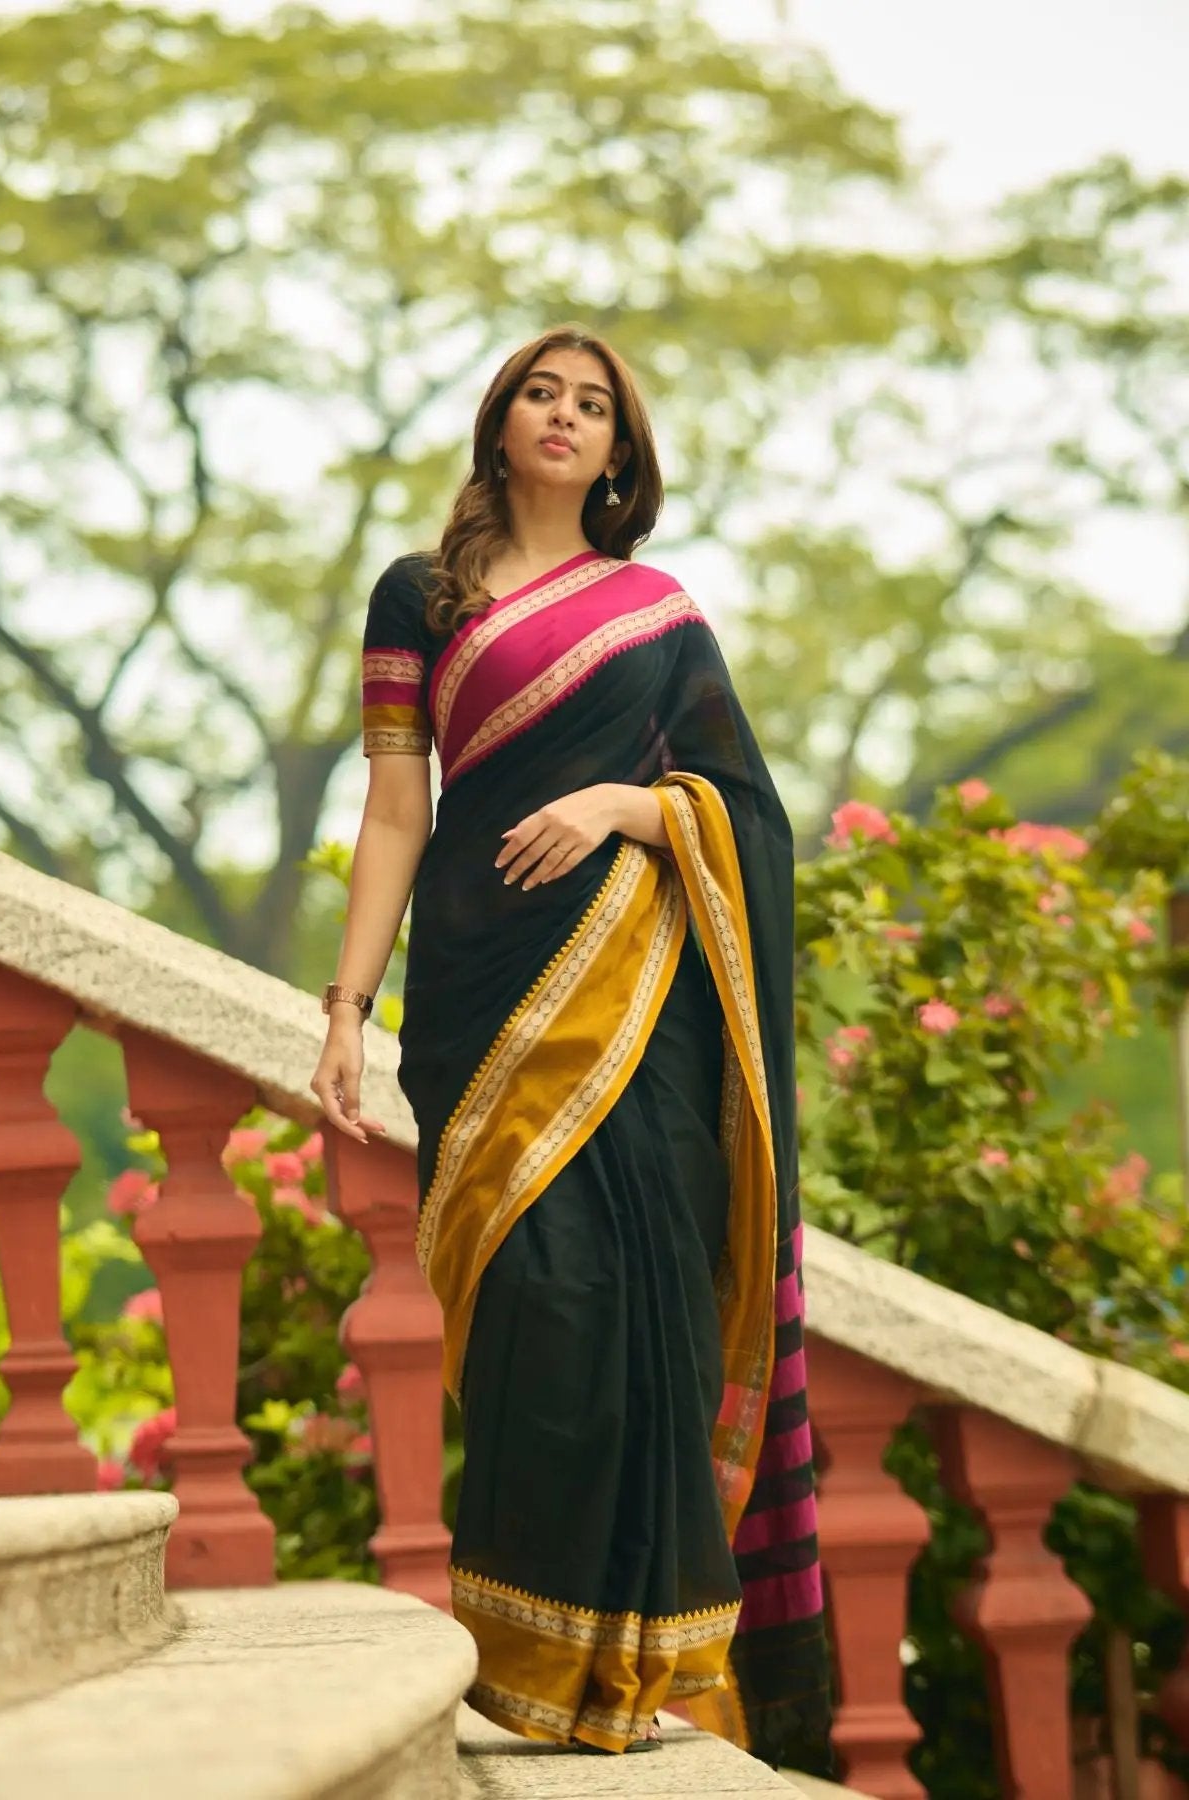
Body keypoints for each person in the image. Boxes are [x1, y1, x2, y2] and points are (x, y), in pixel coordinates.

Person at [310, 323, 833, 1770]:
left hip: (637, 1017)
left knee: (641, 1304)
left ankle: (631, 1669)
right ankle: (526, 1660)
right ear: (502, 425)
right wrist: (348, 1009)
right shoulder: (420, 597)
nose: (563, 414)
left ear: (620, 452)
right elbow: (397, 813)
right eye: (542, 392)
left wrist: (625, 807)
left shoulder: (659, 618)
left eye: (592, 403)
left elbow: (746, 817)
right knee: (535, 1308)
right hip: (479, 1005)